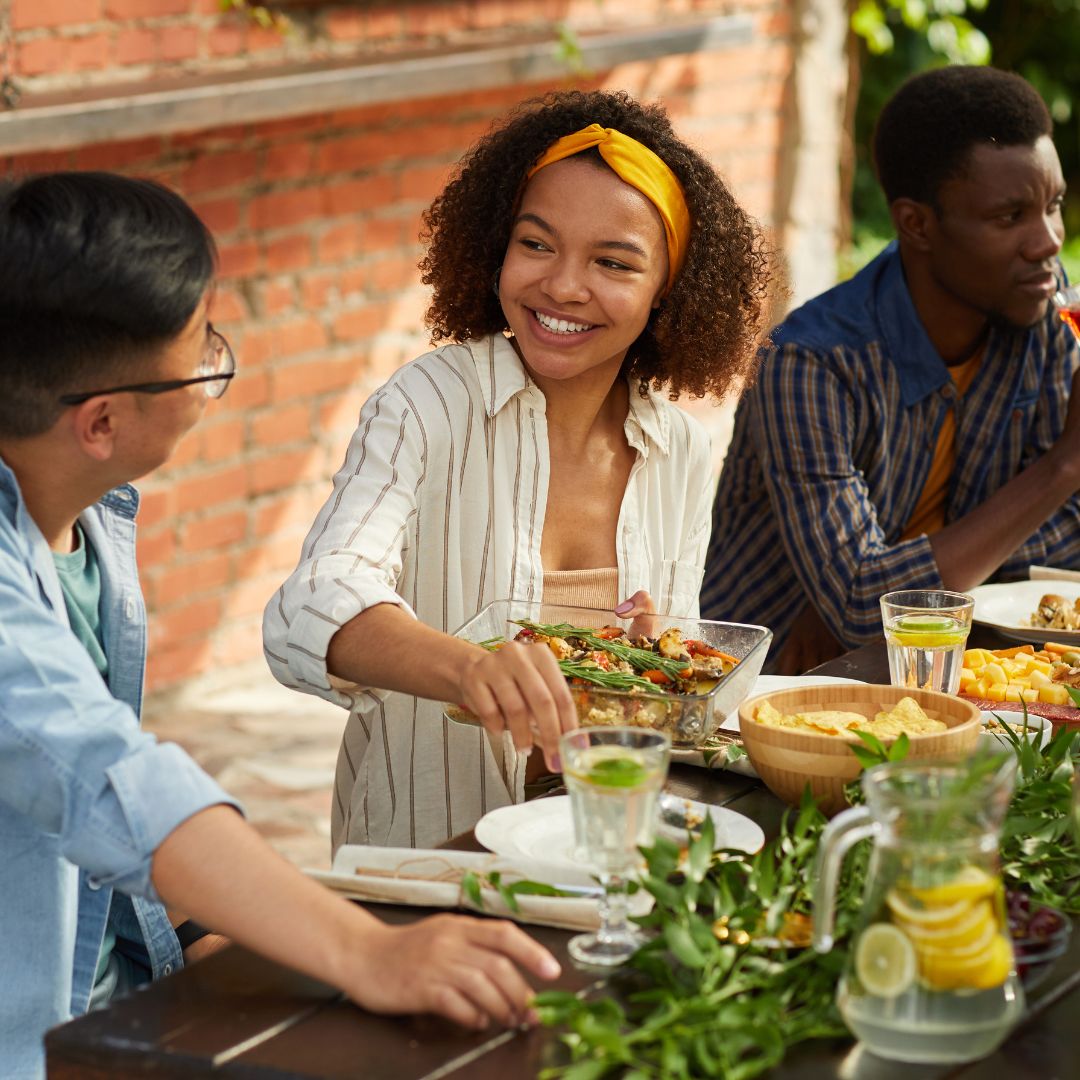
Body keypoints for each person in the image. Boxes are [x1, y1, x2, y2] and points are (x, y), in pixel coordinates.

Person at [0, 172, 561, 1080]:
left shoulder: (88, 516)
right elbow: (110, 784)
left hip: (115, 979)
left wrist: (191, 932)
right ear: (100, 421)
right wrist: (366, 953)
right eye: (201, 358)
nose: (216, 366)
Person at [263, 89, 774, 850]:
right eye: (537, 244)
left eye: (613, 262)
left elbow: (666, 682)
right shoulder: (427, 403)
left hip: (601, 848)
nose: (564, 286)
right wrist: (472, 671)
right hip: (428, 855)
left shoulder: (681, 450)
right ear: (496, 246)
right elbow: (309, 607)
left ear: (670, 288)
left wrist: (652, 671)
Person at [702, 65, 1080, 674]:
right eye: (1010, 218)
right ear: (917, 224)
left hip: (944, 673)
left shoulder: (1044, 313)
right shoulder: (809, 364)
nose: (1048, 242)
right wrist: (1065, 464)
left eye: (1053, 206)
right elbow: (862, 609)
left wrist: (892, 575)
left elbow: (1067, 537)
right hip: (759, 696)